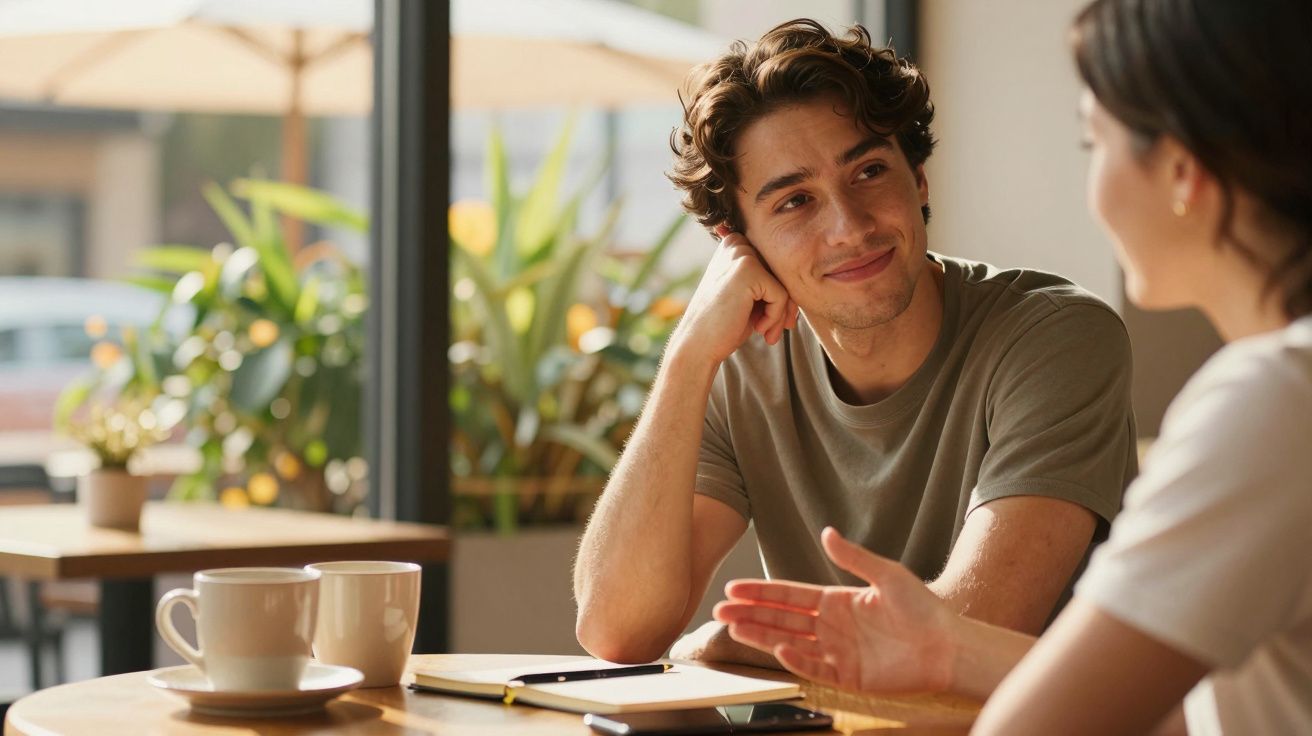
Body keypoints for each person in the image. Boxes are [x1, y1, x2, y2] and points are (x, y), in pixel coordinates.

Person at [713, 0, 1312, 733]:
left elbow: (1037, 725)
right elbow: (1192, 709)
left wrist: (946, 647)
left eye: (1095, 143)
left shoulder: (1274, 404)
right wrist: (943, 648)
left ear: (1183, 170)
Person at [573, 18, 1138, 667]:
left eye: (868, 170)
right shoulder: (740, 368)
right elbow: (618, 630)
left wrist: (721, 644)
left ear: (918, 179)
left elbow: (966, 638)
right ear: (738, 241)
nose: (848, 226)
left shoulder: (1054, 339)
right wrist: (687, 358)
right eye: (794, 202)